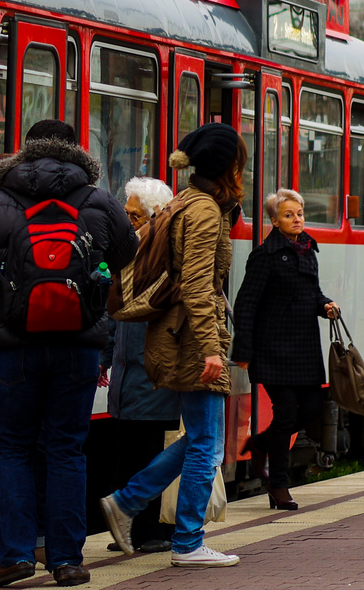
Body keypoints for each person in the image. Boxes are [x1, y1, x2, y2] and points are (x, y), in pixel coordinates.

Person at [0, 120, 136, 588]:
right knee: (67, 450)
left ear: (26, 151)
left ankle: (15, 553)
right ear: (76, 151)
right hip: (78, 348)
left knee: (12, 448)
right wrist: (92, 295)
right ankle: (67, 560)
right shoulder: (98, 200)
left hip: (15, 349)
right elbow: (127, 256)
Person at [99, 124, 246, 569]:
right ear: (227, 167)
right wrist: (211, 349)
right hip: (191, 340)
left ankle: (126, 503)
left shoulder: (191, 203)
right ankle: (187, 541)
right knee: (207, 446)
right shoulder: (202, 211)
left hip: (181, 335)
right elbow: (199, 285)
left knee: (202, 438)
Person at [230, 186, 339, 512]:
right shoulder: (264, 256)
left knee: (312, 409)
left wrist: (326, 305)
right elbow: (245, 304)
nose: (297, 219)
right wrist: (244, 352)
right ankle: (279, 486)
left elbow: (313, 294)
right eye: (289, 215)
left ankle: (261, 443)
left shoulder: (308, 250)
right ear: (274, 221)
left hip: (304, 348)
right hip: (273, 349)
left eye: (300, 214)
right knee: (287, 412)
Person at [96, 177, 179, 553]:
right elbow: (114, 315)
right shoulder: (125, 253)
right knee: (129, 451)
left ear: (154, 216)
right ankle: (130, 530)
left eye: (134, 215)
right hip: (128, 375)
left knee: (150, 451)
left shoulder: (163, 255)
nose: (127, 220)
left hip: (152, 374)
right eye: (126, 213)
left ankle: (151, 532)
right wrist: (104, 357)